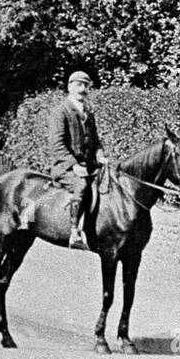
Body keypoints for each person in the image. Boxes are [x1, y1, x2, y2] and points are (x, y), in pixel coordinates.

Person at [47, 71, 106, 250]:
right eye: (79, 85)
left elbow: (96, 141)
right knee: (81, 185)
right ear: (69, 87)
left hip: (89, 166)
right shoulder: (60, 111)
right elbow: (57, 145)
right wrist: (73, 165)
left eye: (86, 85)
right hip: (65, 167)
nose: (82, 89)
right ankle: (74, 232)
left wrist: (100, 156)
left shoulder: (89, 113)